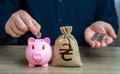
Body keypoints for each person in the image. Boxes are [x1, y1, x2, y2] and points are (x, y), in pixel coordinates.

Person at [0, 0, 118, 48]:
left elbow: (109, 24)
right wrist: (8, 26)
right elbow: (3, 20)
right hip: (30, 64)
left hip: (86, 61)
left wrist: (98, 36)